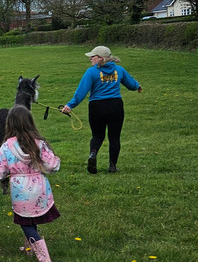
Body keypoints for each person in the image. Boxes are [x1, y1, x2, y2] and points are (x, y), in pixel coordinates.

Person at [0, 105, 61, 262]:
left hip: (21, 191)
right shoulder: (40, 144)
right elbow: (52, 166)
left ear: (10, 124)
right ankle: (29, 247)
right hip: (40, 188)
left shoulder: (7, 147)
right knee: (31, 219)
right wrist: (55, 159)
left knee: (26, 224)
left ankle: (45, 261)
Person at [61, 45, 143, 174]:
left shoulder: (91, 72)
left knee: (97, 136)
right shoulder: (119, 70)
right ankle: (112, 166)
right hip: (115, 106)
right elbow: (131, 84)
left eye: (92, 57)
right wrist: (137, 86)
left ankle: (93, 155)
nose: (90, 59)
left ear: (100, 58)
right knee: (114, 137)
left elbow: (81, 91)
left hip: (97, 107)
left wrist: (70, 105)